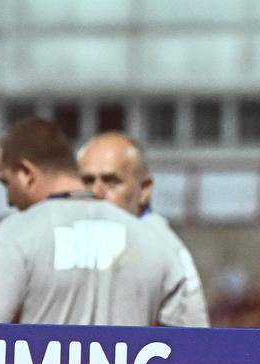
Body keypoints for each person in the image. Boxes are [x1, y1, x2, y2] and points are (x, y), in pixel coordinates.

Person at [0, 118, 204, 327]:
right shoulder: (159, 244)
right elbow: (195, 344)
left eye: (6, 183)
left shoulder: (16, 234)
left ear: (26, 173)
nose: (8, 199)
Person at [77, 131, 209, 326]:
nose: (96, 192)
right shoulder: (60, 236)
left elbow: (196, 336)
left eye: (111, 181)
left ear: (144, 189)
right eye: (87, 181)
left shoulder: (168, 249)